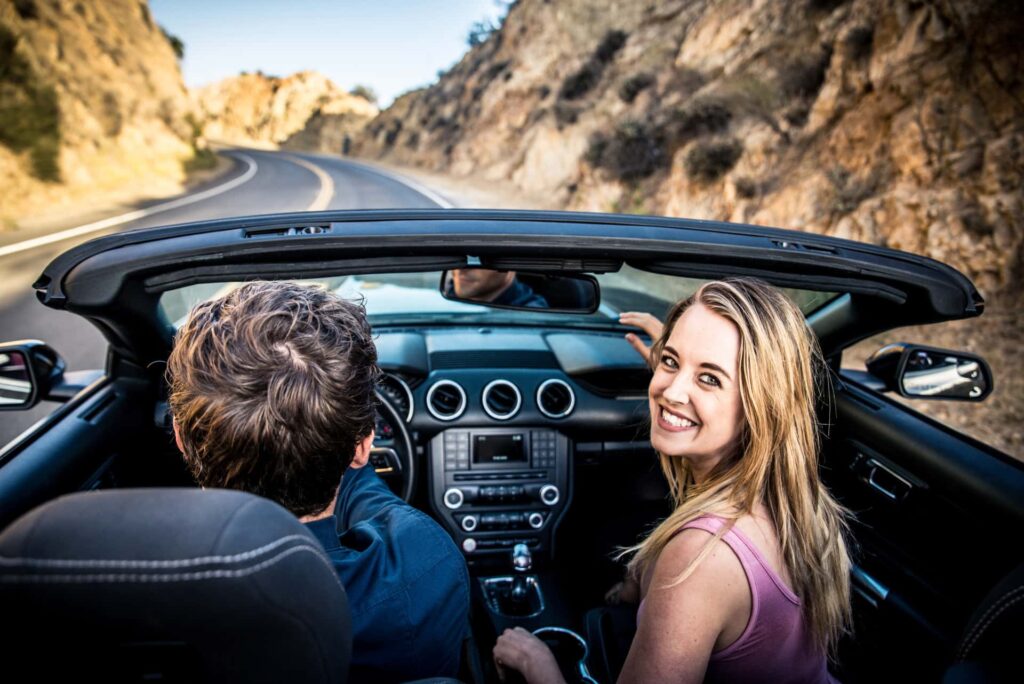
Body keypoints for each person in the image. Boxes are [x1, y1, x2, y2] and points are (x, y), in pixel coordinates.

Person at [493, 279, 851, 683]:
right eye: (670, 361)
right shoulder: (799, 503)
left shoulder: (697, 560)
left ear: (761, 407)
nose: (670, 391)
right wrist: (688, 376)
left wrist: (540, 666)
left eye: (710, 378)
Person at [167, 281, 469, 682]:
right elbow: (374, 499)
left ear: (180, 437)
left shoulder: (143, 598)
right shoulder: (427, 564)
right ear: (363, 447)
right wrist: (340, 442)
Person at [448, 268, 549, 308]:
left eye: (477, 258)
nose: (460, 268)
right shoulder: (438, 301)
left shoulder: (531, 315)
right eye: (457, 254)